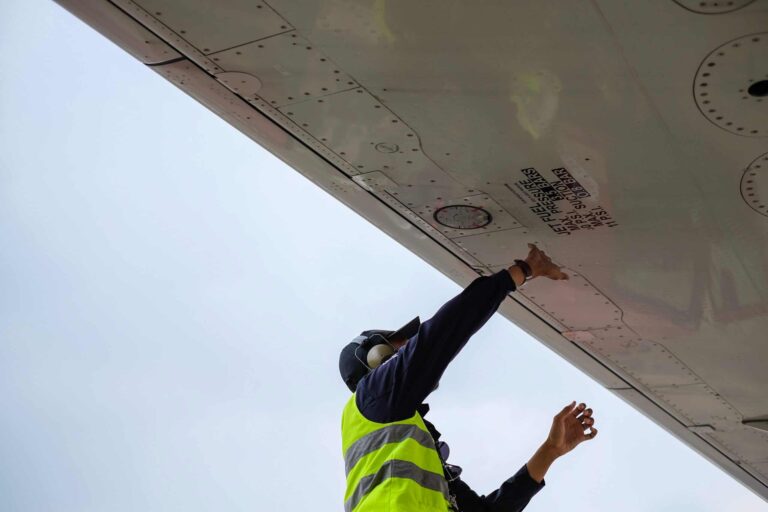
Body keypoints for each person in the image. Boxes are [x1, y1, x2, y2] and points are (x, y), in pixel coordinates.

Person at [338, 243, 598, 511]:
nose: (409, 348)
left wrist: (550, 451)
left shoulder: (407, 443)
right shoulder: (373, 396)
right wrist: (522, 271)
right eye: (402, 346)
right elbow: (442, 333)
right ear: (376, 359)